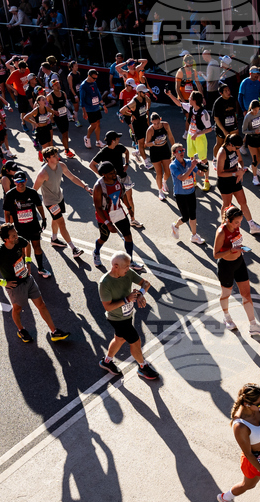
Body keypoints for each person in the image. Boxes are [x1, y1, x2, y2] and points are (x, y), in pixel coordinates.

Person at [0, 223, 71, 344]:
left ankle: (54, 332)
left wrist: (28, 262)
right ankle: (21, 330)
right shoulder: (0, 253)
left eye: (16, 234)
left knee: (41, 304)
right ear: (6, 239)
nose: (17, 237)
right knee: (17, 309)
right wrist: (3, 283)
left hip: (28, 279)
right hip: (16, 287)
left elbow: (28, 245)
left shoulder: (18, 241)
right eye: (13, 235)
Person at [97, 252, 159, 380]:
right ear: (115, 266)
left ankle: (106, 361)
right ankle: (143, 367)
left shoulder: (127, 273)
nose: (128, 269)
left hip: (127, 315)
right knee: (135, 340)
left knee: (119, 339)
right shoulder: (105, 283)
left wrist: (141, 294)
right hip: (117, 319)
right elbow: (107, 307)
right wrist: (127, 299)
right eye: (126, 267)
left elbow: (146, 283)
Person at [213, 206, 260, 335]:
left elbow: (235, 242)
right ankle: (226, 317)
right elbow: (216, 254)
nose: (239, 225)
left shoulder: (235, 227)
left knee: (246, 294)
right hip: (226, 266)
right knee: (226, 294)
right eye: (236, 222)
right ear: (228, 220)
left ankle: (253, 325)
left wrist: (240, 248)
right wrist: (230, 251)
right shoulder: (221, 232)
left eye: (240, 222)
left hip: (239, 262)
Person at [36, 147, 91, 259]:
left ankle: (54, 239)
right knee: (61, 222)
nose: (58, 157)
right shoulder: (43, 173)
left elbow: (72, 178)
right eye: (54, 156)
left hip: (59, 197)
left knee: (56, 219)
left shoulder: (61, 166)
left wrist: (85, 187)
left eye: (57, 155)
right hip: (50, 202)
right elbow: (33, 190)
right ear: (47, 159)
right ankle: (74, 249)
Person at [91, 161, 143, 269]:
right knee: (104, 237)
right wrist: (108, 224)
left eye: (114, 171)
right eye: (110, 173)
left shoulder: (118, 180)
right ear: (104, 174)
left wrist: (129, 208)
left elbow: (123, 195)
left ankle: (130, 261)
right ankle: (96, 252)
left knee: (128, 236)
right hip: (104, 215)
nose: (114, 174)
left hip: (118, 212)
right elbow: (98, 207)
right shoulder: (98, 187)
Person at [3, 173, 52, 278]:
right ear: (14, 181)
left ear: (25, 180)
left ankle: (41, 268)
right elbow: (6, 212)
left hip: (33, 225)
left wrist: (43, 219)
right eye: (17, 182)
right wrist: (8, 225)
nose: (20, 184)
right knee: (22, 249)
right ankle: (23, 269)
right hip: (20, 228)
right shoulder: (10, 195)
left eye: (22, 181)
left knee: (37, 246)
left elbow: (39, 206)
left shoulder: (32, 192)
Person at [215, 134, 260, 232]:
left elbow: (240, 160)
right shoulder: (222, 153)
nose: (238, 149)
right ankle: (223, 226)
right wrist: (235, 173)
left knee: (243, 202)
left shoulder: (235, 149)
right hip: (225, 181)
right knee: (227, 204)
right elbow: (220, 173)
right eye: (236, 148)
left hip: (235, 178)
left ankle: (252, 226)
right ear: (230, 144)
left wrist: (241, 170)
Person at [145, 113, 176, 199]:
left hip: (165, 150)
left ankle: (164, 182)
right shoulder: (150, 130)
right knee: (159, 173)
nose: (157, 125)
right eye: (154, 124)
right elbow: (146, 144)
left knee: (168, 172)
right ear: (151, 122)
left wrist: (175, 149)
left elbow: (170, 137)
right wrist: (154, 143)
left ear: (160, 119)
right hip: (155, 152)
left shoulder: (165, 125)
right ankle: (160, 191)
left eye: (158, 123)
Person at [119, 83, 151, 165]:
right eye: (144, 92)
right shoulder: (134, 102)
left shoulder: (144, 97)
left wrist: (147, 110)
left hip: (144, 122)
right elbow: (122, 111)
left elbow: (149, 101)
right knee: (141, 142)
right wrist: (132, 114)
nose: (145, 94)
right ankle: (146, 162)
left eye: (145, 92)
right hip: (137, 125)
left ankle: (137, 152)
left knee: (146, 142)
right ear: (139, 92)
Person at [241, 100, 260, 186]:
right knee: (255, 159)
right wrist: (253, 132)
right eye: (254, 110)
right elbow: (243, 130)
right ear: (251, 109)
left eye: (257, 110)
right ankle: (255, 177)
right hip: (251, 139)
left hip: (259, 138)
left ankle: (253, 167)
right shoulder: (248, 117)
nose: (256, 112)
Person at [48, 78, 75, 157]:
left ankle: (66, 149)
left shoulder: (63, 93)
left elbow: (67, 104)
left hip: (64, 116)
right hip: (57, 118)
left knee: (66, 133)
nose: (57, 86)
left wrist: (72, 113)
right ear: (52, 87)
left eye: (58, 84)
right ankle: (66, 150)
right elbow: (46, 107)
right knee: (63, 133)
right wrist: (53, 112)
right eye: (55, 85)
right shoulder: (50, 96)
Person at [78, 68, 104, 149]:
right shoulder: (83, 86)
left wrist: (103, 104)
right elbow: (82, 100)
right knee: (93, 124)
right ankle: (87, 138)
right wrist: (84, 112)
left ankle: (98, 141)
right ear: (88, 76)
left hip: (96, 107)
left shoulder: (94, 83)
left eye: (96, 78)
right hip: (89, 108)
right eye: (93, 78)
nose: (95, 80)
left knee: (98, 123)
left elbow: (98, 93)